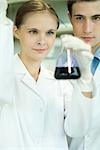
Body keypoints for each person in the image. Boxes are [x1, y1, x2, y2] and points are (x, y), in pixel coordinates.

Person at [0, 0, 95, 150]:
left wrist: (84, 82)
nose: (42, 41)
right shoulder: (4, 76)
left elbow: (77, 129)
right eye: (33, 31)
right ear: (16, 31)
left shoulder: (60, 82)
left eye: (50, 33)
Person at [66, 0, 100, 150]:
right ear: (70, 18)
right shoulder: (58, 69)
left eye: (96, 18)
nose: (87, 29)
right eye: (79, 18)